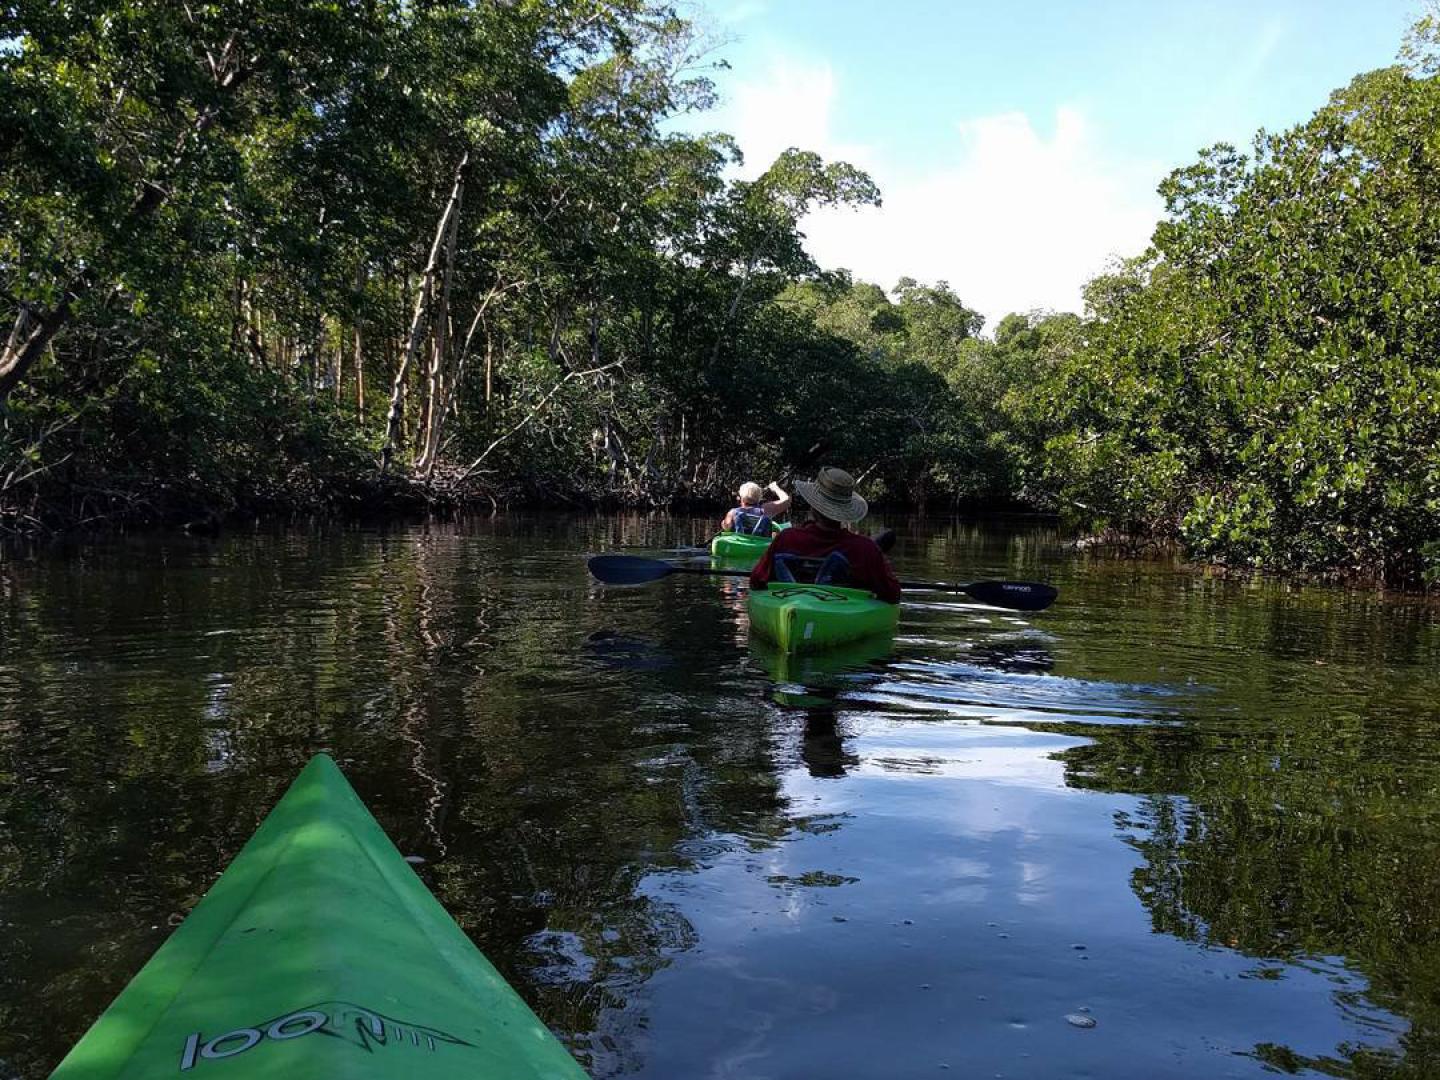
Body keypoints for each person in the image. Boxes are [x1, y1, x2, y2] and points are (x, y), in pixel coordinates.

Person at [750, 467, 901, 604]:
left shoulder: (786, 538)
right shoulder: (865, 548)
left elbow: (756, 581)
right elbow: (892, 594)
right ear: (845, 512)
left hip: (790, 604)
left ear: (813, 506)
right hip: (840, 614)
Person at [721, 480, 791, 536]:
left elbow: (726, 527)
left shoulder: (732, 512)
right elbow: (787, 500)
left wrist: (723, 524)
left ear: (742, 498)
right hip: (760, 548)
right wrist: (775, 488)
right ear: (759, 498)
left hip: (740, 546)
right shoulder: (767, 509)